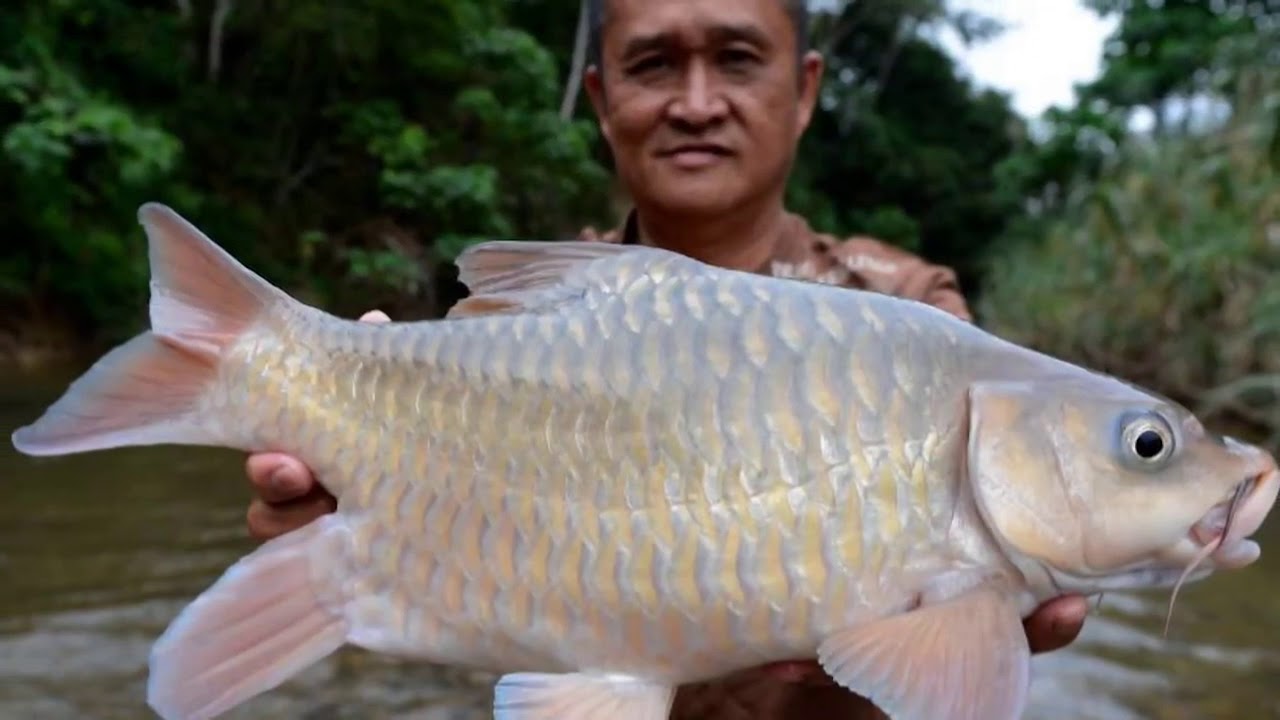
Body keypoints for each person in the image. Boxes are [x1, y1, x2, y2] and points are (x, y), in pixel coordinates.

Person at [242, 0, 1090, 717]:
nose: (695, 103)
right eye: (654, 65)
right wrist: (354, 506)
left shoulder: (911, 314)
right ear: (603, 100)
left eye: (736, 58)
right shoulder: (517, 331)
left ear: (805, 91)